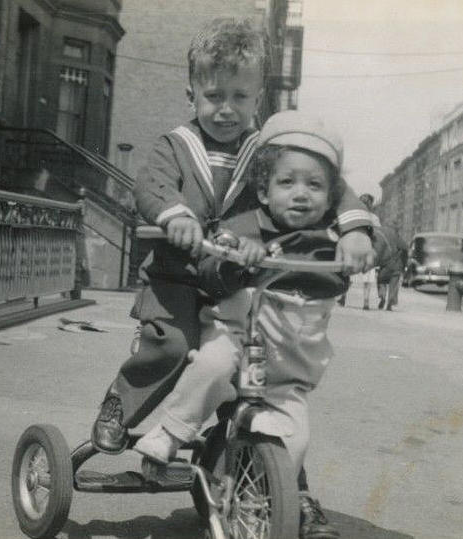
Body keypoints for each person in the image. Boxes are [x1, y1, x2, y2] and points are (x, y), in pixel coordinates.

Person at [91, 18, 374, 538]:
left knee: (260, 386)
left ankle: (291, 491)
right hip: (177, 277)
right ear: (192, 93)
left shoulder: (266, 152)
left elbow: (332, 187)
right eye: (213, 95)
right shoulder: (175, 145)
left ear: (258, 99)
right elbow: (150, 187)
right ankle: (120, 405)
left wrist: (355, 231)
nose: (225, 108)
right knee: (174, 347)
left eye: (239, 97)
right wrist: (175, 214)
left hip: (234, 284)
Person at [133, 110, 355, 538]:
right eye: (287, 183)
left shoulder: (333, 241)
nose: (301, 194)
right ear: (265, 191)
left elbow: (376, 242)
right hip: (238, 340)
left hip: (288, 369)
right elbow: (212, 270)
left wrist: (363, 244)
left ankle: (268, 500)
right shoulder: (245, 225)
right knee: (212, 366)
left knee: (295, 437)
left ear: (330, 199)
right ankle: (170, 432)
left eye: (315, 185)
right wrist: (237, 260)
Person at [337, 193, 381, 309]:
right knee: (367, 279)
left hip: (353, 249)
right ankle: (365, 302)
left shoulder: (353, 215)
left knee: (349, 275)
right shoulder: (374, 218)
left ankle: (343, 296)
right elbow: (378, 235)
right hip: (367, 249)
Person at [375, 225, 407, 311]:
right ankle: (390, 302)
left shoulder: (385, 238)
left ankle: (382, 296)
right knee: (393, 285)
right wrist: (404, 267)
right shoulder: (399, 239)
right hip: (397, 266)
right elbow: (406, 248)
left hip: (385, 266)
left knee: (381, 281)